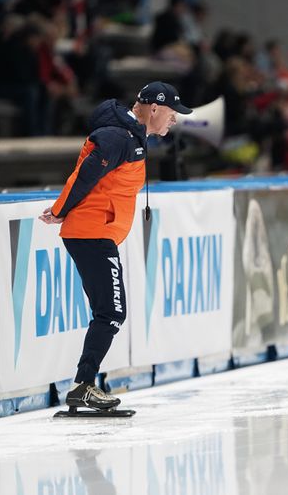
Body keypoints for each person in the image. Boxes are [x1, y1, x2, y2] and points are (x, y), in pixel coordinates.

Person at [39, 81, 192, 410]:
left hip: (97, 231)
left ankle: (84, 384)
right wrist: (59, 211)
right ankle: (83, 385)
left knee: (109, 313)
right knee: (110, 313)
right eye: (172, 113)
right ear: (154, 108)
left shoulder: (130, 136)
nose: (175, 119)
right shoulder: (118, 136)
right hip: (91, 232)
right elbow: (84, 175)